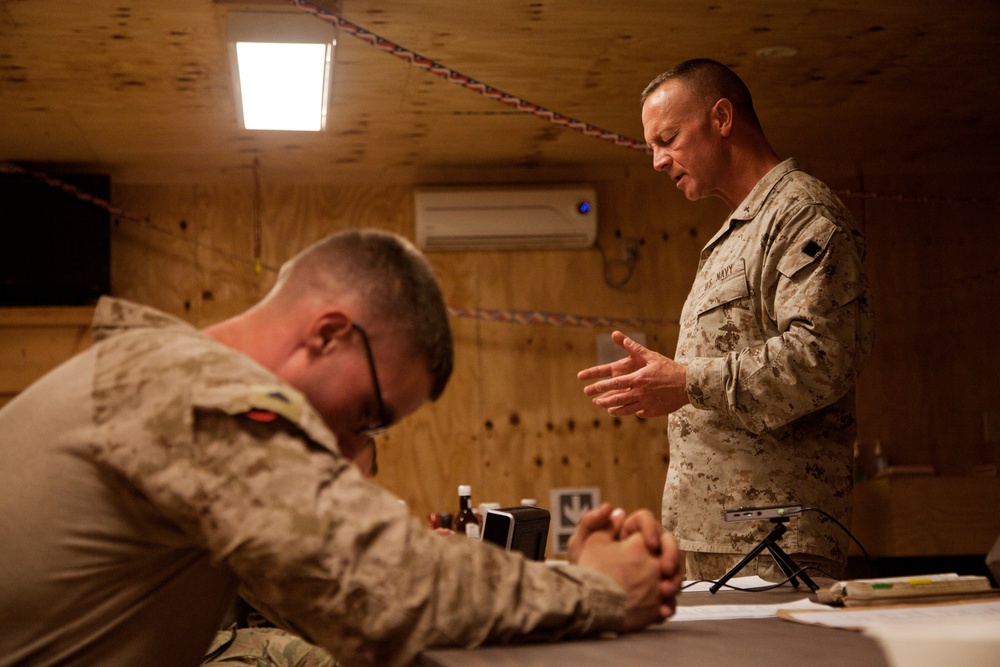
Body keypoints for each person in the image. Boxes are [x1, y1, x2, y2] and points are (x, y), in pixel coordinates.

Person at [0, 229, 682, 667]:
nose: (352, 447)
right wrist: (599, 589)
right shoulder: (195, 389)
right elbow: (384, 587)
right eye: (366, 415)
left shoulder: (154, 372)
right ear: (328, 333)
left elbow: (328, 593)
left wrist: (568, 570)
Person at [578, 58, 875, 582]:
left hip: (775, 540)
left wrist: (688, 381)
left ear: (721, 118)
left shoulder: (801, 214)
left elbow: (822, 357)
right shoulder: (737, 231)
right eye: (652, 146)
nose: (657, 160)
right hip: (717, 536)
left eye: (666, 138)